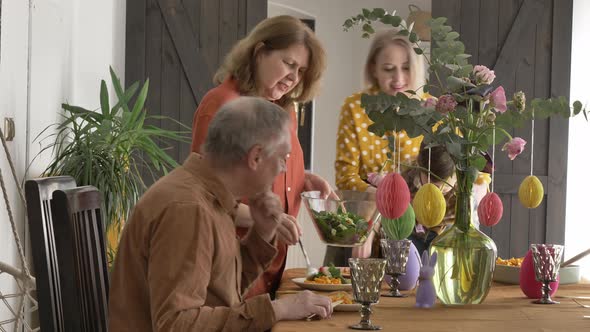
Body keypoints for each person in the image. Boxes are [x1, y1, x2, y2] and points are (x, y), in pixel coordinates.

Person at [109, 97, 333, 331]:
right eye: (283, 158)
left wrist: (262, 233)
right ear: (255, 157)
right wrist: (278, 309)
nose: (283, 169)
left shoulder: (210, 197)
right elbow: (175, 325)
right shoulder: (188, 210)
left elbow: (220, 291)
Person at [191, 15, 334, 298]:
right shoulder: (221, 105)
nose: (294, 77)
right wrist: (266, 220)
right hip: (231, 270)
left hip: (270, 269)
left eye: (302, 71)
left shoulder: (283, 110)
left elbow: (256, 169)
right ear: (259, 52)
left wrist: (302, 178)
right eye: (288, 63)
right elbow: (203, 198)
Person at [325, 29, 426, 265]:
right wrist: (385, 201)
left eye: (406, 67)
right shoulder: (356, 107)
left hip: (412, 230)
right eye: (388, 69)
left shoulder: (431, 110)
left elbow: (457, 169)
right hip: (359, 224)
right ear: (373, 69)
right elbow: (346, 176)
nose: (398, 78)